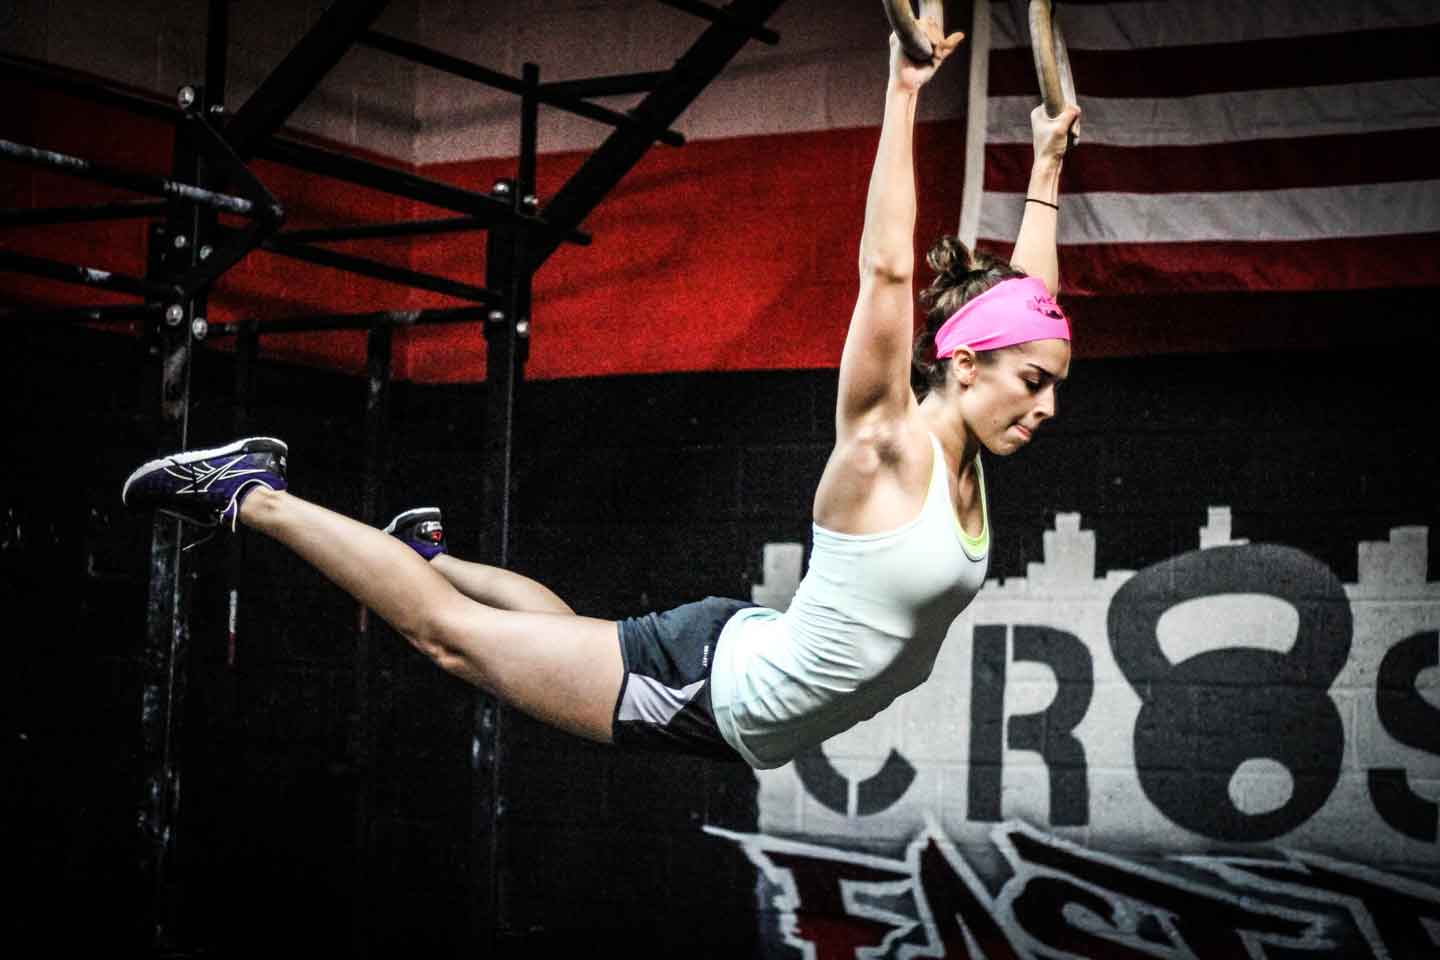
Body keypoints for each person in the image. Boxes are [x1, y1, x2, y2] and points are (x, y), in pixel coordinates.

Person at [121, 20, 1080, 770]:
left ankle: (428, 557)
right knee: (453, 642)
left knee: (559, 636)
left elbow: (1029, 308)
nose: (1044, 406)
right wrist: (903, 92)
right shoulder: (887, 446)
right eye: (1033, 384)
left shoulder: (972, 441)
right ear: (963, 363)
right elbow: (885, 274)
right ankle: (251, 493)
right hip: (716, 691)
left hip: (738, 655)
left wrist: (1045, 162)